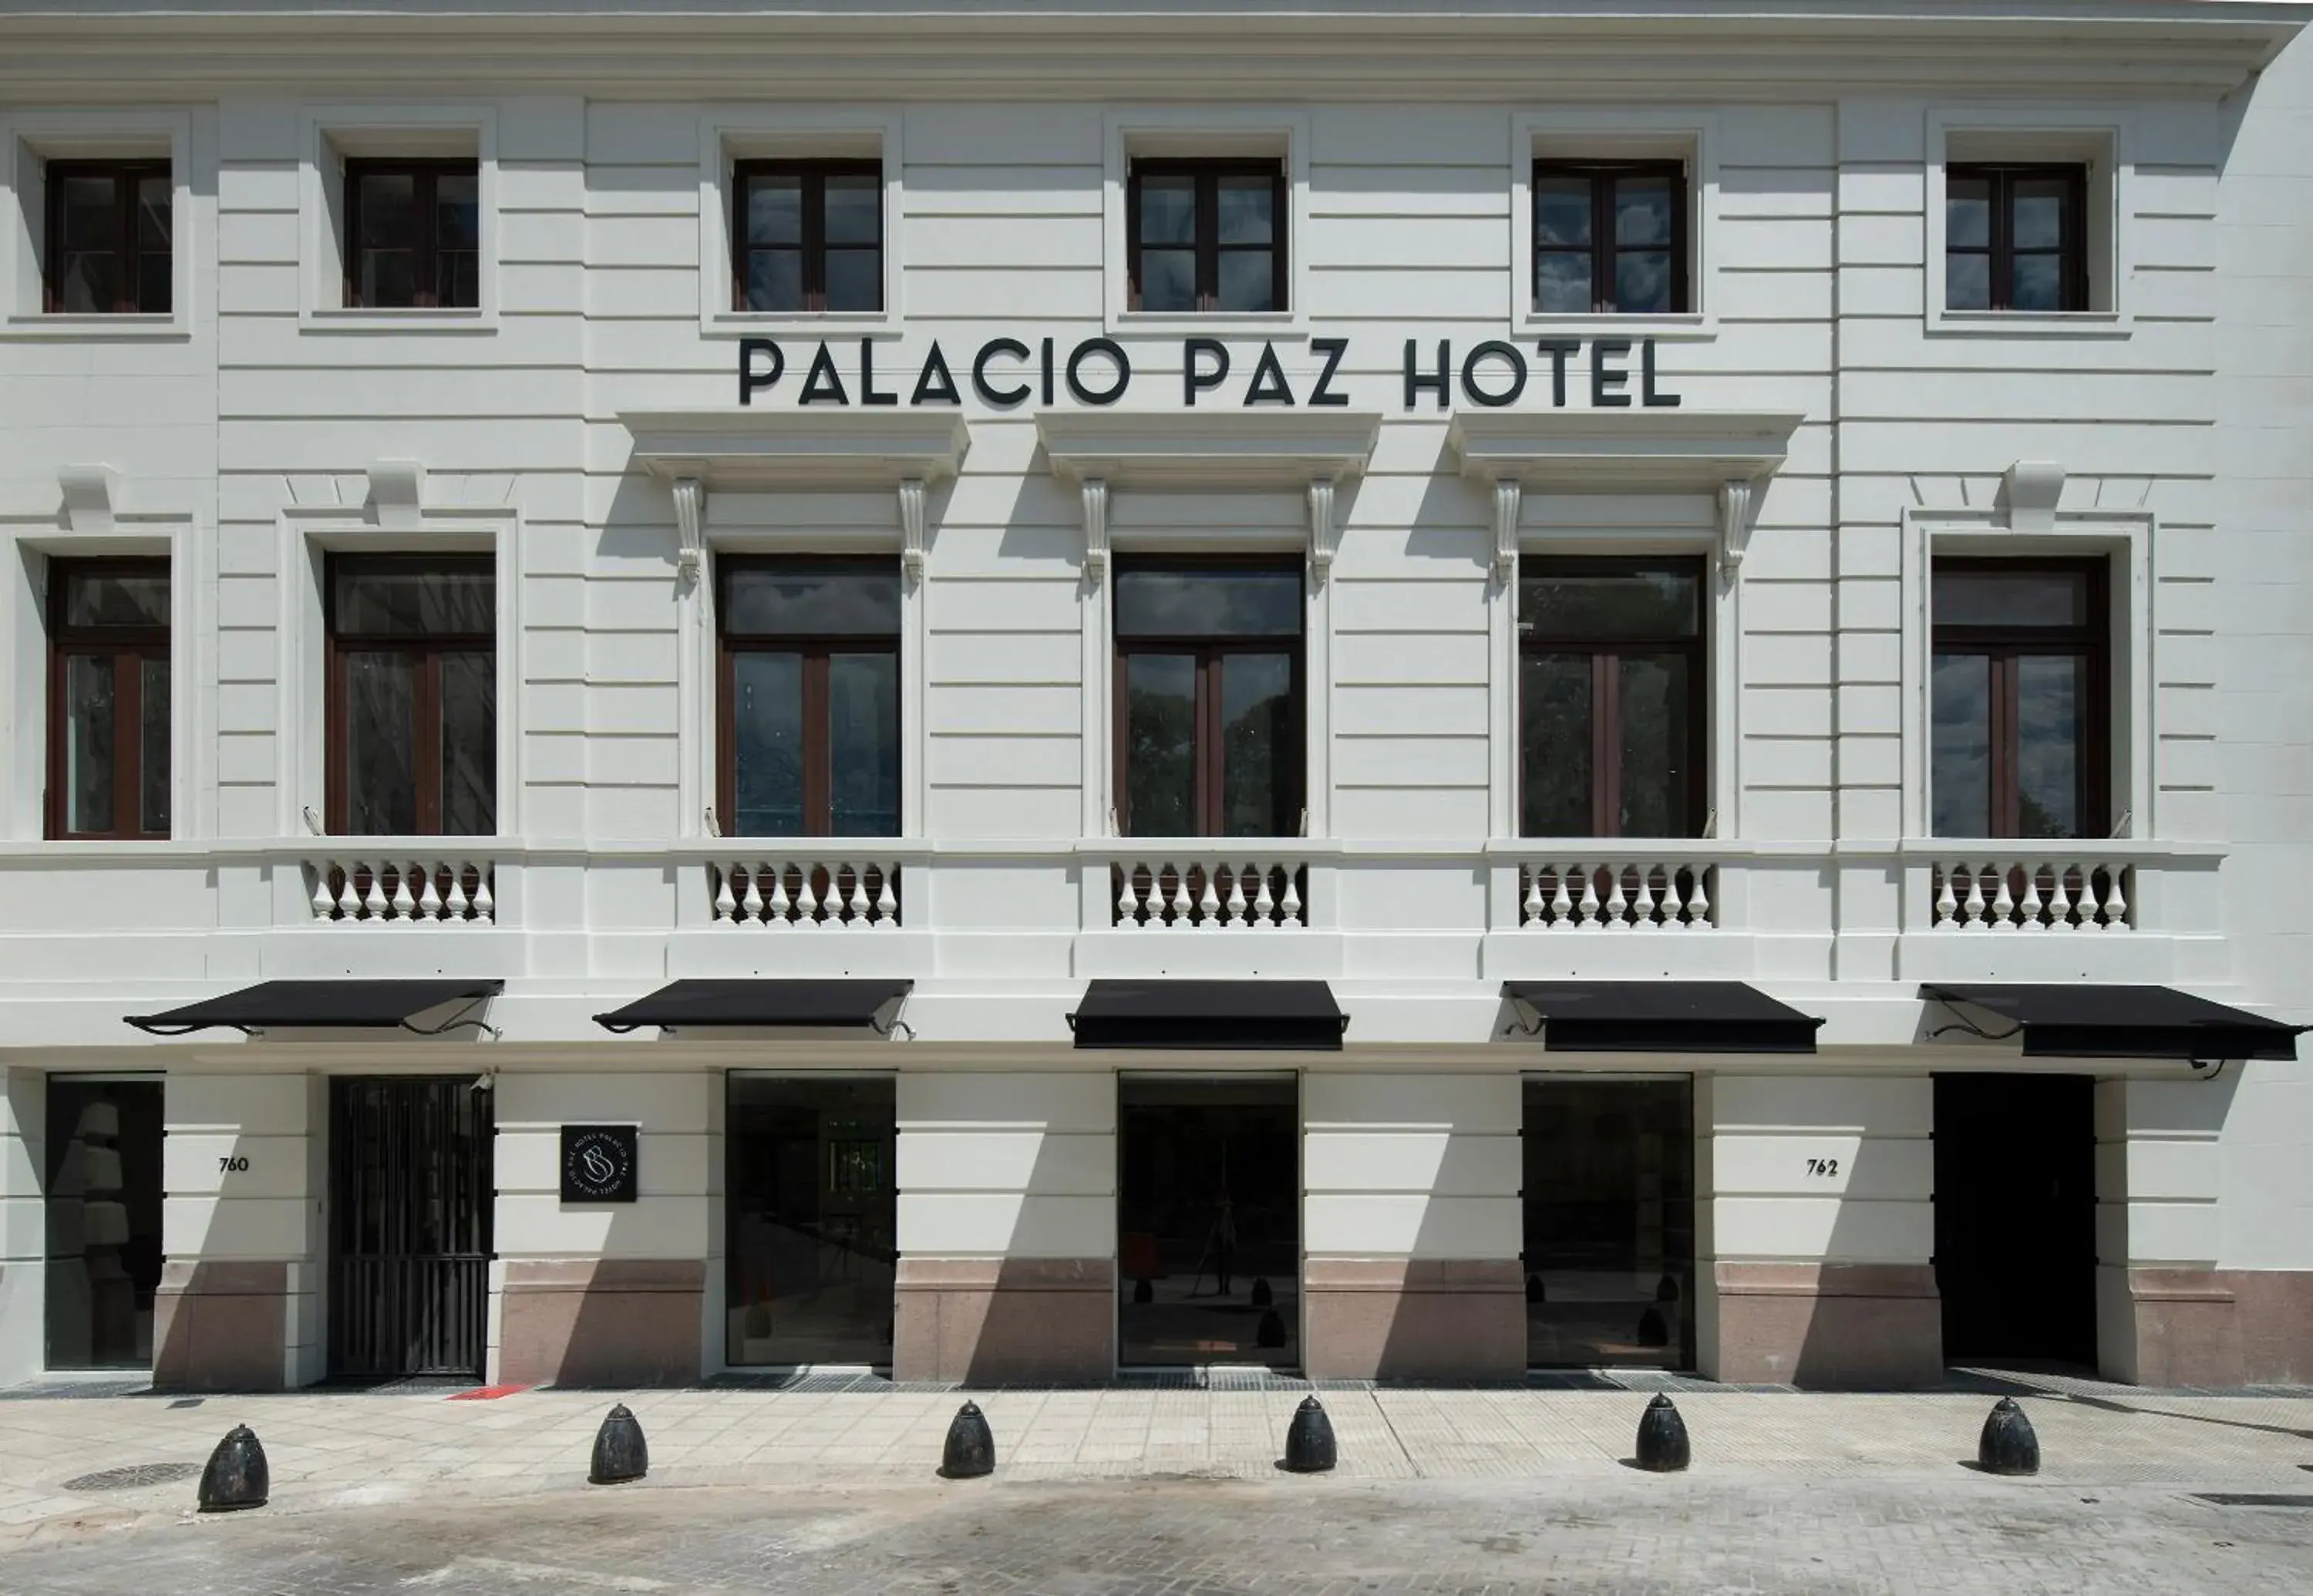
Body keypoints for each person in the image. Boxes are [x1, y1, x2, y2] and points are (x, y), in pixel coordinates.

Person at [1214, 1194, 1238, 1295]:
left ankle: (1225, 1286)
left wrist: (1231, 1242)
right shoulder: (1219, 1217)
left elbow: (1230, 1231)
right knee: (1221, 1266)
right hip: (1221, 1241)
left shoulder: (1227, 1215)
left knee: (1226, 1266)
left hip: (1226, 1241)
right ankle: (1222, 1287)